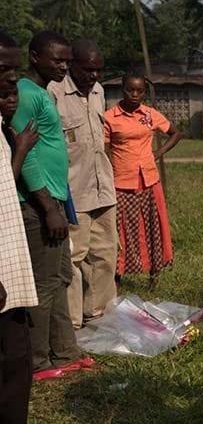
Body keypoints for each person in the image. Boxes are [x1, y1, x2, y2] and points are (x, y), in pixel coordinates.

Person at [12, 30, 94, 377]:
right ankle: (38, 361)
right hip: (38, 203)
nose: (63, 66)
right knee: (45, 283)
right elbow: (25, 154)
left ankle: (65, 351)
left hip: (56, 200)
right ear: (35, 58)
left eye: (66, 61)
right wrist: (46, 206)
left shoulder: (43, 93)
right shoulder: (25, 94)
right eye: (56, 60)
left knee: (60, 276)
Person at [49, 39, 116, 329]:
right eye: (88, 70)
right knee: (74, 258)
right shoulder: (53, 93)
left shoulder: (99, 91)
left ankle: (99, 313)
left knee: (106, 254)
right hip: (73, 191)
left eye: (98, 70)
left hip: (103, 188)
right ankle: (73, 324)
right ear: (71, 64)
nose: (94, 76)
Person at [103, 74, 182, 288]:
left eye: (140, 91)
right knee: (121, 231)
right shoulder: (110, 117)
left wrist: (158, 153)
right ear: (122, 89)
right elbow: (103, 149)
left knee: (153, 226)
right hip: (121, 182)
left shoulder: (150, 114)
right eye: (131, 90)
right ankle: (117, 277)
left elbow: (175, 133)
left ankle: (154, 275)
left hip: (149, 180)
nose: (135, 95)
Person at [0, 31, 38, 422]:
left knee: (16, 370)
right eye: (2, 69)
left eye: (15, 68)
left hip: (9, 276)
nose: (12, 79)